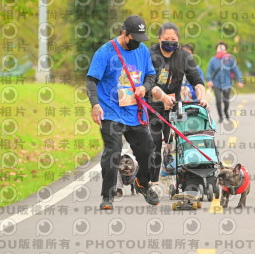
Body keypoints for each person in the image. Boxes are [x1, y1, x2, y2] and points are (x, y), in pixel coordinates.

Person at [86, 15, 160, 209]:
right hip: (111, 111)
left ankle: (142, 183)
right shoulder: (105, 52)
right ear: (124, 33)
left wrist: (144, 87)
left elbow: (151, 75)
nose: (137, 43)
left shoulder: (142, 50)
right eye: (134, 39)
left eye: (140, 39)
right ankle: (108, 196)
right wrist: (95, 105)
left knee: (148, 151)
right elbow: (91, 81)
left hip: (134, 112)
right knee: (113, 152)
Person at [146, 23, 208, 186]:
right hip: (153, 106)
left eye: (173, 39)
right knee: (153, 144)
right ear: (159, 39)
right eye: (166, 38)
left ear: (178, 40)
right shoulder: (149, 55)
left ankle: (182, 180)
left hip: (175, 106)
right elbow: (147, 82)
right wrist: (163, 98)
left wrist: (202, 97)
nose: (170, 42)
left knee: (179, 143)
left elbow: (197, 81)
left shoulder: (184, 56)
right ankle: (153, 181)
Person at [206, 42, 243, 123]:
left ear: (226, 50)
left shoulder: (230, 60)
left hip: (227, 84)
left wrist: (240, 80)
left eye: (223, 48)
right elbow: (209, 71)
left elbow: (236, 70)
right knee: (218, 100)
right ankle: (220, 116)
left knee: (226, 101)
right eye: (219, 48)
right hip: (216, 84)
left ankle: (226, 113)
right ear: (216, 49)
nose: (221, 50)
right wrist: (209, 80)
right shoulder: (213, 60)